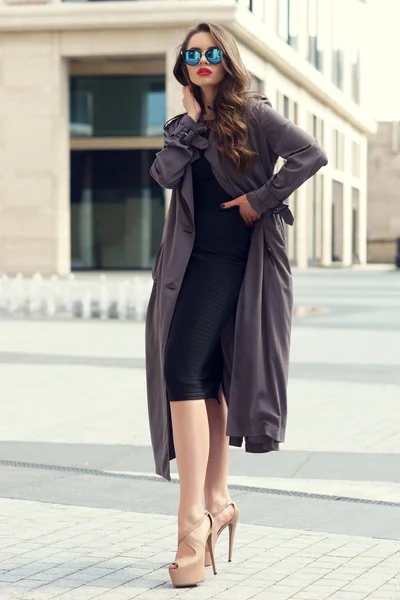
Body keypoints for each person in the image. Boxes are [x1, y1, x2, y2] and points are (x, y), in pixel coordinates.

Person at [145, 22, 327, 588]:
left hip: (235, 266)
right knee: (203, 376)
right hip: (189, 264)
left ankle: (190, 522)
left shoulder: (255, 112)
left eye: (212, 52)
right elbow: (165, 175)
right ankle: (218, 500)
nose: (202, 60)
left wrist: (260, 199)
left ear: (229, 58)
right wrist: (192, 119)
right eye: (192, 54)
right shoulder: (186, 125)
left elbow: (310, 154)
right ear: (184, 66)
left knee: (181, 371)